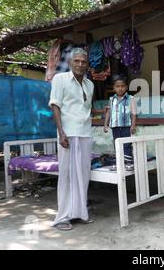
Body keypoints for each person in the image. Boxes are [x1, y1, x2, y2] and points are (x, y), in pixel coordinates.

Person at [49, 47, 94, 231]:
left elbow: (85, 109)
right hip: (67, 133)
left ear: (87, 64)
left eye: (83, 61)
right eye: (76, 61)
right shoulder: (60, 79)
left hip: (85, 133)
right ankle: (62, 217)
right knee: (67, 176)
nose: (80, 64)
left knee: (83, 175)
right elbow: (55, 105)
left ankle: (80, 212)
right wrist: (61, 132)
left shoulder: (90, 84)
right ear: (70, 63)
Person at [104, 75, 136, 171]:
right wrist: (105, 124)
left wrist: (133, 125)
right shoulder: (111, 99)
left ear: (126, 87)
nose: (120, 88)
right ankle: (119, 162)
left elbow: (134, 113)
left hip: (126, 126)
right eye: (117, 86)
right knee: (117, 144)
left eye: (122, 86)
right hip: (115, 126)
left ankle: (129, 163)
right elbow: (109, 112)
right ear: (114, 88)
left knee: (126, 144)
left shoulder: (130, 98)